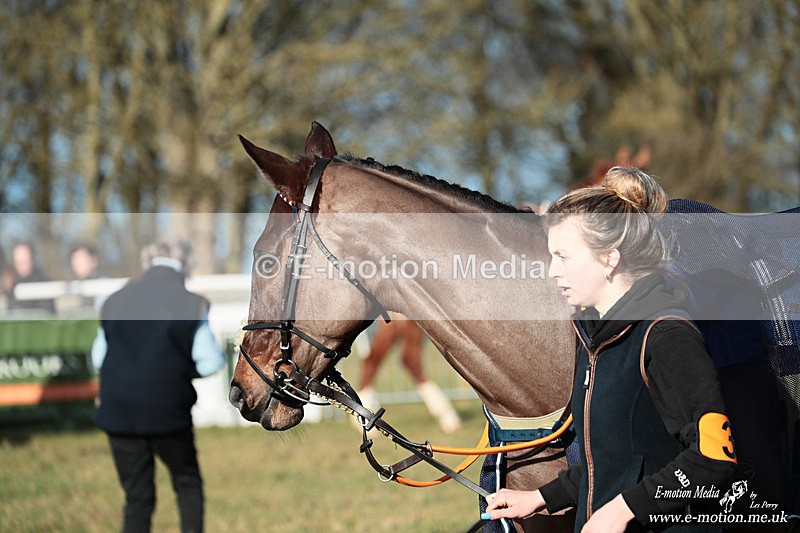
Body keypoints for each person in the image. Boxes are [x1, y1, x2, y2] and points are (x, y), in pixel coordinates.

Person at [484, 167, 740, 532]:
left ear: (609, 259)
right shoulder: (595, 340)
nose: (552, 271)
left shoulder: (667, 336)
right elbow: (611, 460)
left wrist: (624, 510)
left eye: (563, 256)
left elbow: (714, 457)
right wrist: (541, 497)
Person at [91, 238, 225, 533]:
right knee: (187, 484)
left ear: (146, 262)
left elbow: (99, 358)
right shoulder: (192, 303)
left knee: (137, 497)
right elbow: (210, 362)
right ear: (186, 265)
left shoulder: (114, 300)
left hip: (119, 413)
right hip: (168, 413)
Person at [9, 241, 55, 313]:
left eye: (25, 261)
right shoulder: (13, 286)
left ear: (32, 259)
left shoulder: (43, 284)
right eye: (19, 263)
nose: (22, 266)